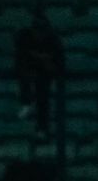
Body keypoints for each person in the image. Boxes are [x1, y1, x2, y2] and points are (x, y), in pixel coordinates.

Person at [14, 12, 64, 141]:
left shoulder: (54, 41)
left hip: (45, 73)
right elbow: (20, 58)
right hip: (28, 69)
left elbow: (58, 67)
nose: (39, 34)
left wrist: (44, 61)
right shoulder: (24, 37)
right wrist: (37, 58)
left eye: (42, 31)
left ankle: (42, 129)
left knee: (43, 95)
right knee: (24, 72)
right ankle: (26, 102)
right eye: (37, 30)